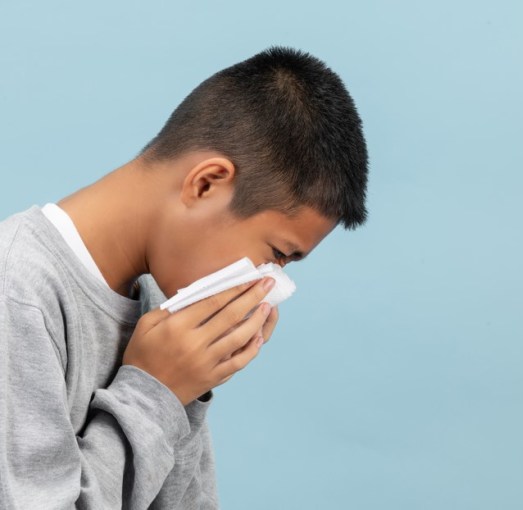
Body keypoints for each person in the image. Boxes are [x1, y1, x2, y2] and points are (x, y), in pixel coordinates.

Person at [0, 46, 368, 509]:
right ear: (206, 183)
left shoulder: (160, 311)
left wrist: (186, 387)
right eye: (277, 255)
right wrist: (157, 392)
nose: (269, 283)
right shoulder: (17, 292)